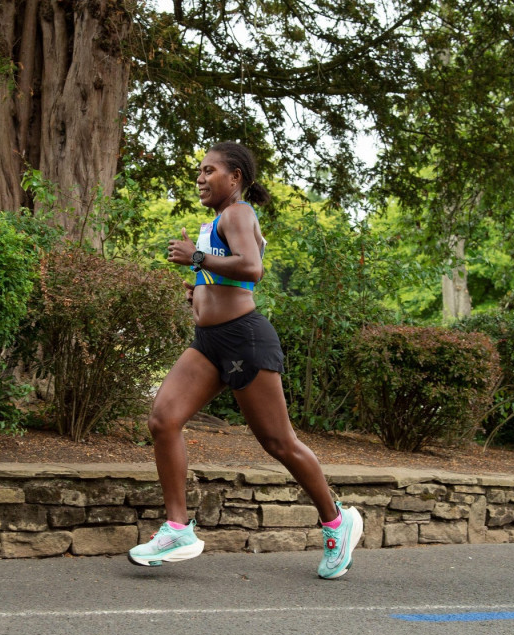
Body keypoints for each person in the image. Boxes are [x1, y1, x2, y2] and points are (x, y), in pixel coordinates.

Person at [127, 141, 363, 579]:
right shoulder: (213, 222)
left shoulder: (238, 213)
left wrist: (196, 259)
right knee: (163, 419)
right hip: (208, 341)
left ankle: (336, 521)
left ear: (234, 177)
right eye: (199, 171)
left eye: (210, 170)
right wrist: (197, 289)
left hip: (243, 340)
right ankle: (178, 528)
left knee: (279, 443)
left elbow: (251, 268)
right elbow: (224, 275)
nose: (201, 177)